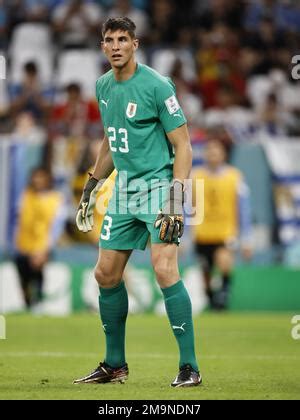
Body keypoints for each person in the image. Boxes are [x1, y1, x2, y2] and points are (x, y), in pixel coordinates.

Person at [73, 17, 201, 387]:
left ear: (135, 44)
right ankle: (114, 365)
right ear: (102, 46)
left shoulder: (158, 86)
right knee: (105, 274)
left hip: (161, 187)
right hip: (124, 191)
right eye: (109, 40)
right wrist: (93, 183)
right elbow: (112, 140)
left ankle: (189, 367)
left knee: (164, 270)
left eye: (122, 39)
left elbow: (184, 145)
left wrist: (176, 198)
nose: (115, 46)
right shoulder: (102, 86)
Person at [192, 139, 252, 310]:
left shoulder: (235, 176)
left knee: (224, 262)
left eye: (216, 152)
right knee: (206, 274)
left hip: (225, 233)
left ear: (223, 155)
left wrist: (247, 238)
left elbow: (244, 208)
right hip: (202, 233)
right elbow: (188, 206)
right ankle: (211, 297)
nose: (213, 155)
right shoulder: (196, 176)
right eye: (209, 152)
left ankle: (224, 295)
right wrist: (185, 234)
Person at [14, 167, 66, 309]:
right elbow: (19, 219)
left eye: (41, 177)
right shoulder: (26, 195)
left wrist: (46, 247)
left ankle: (38, 303)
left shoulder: (55, 198)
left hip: (42, 244)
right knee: (23, 277)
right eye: (36, 177)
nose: (38, 180)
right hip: (23, 244)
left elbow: (57, 225)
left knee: (37, 272)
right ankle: (28, 305)